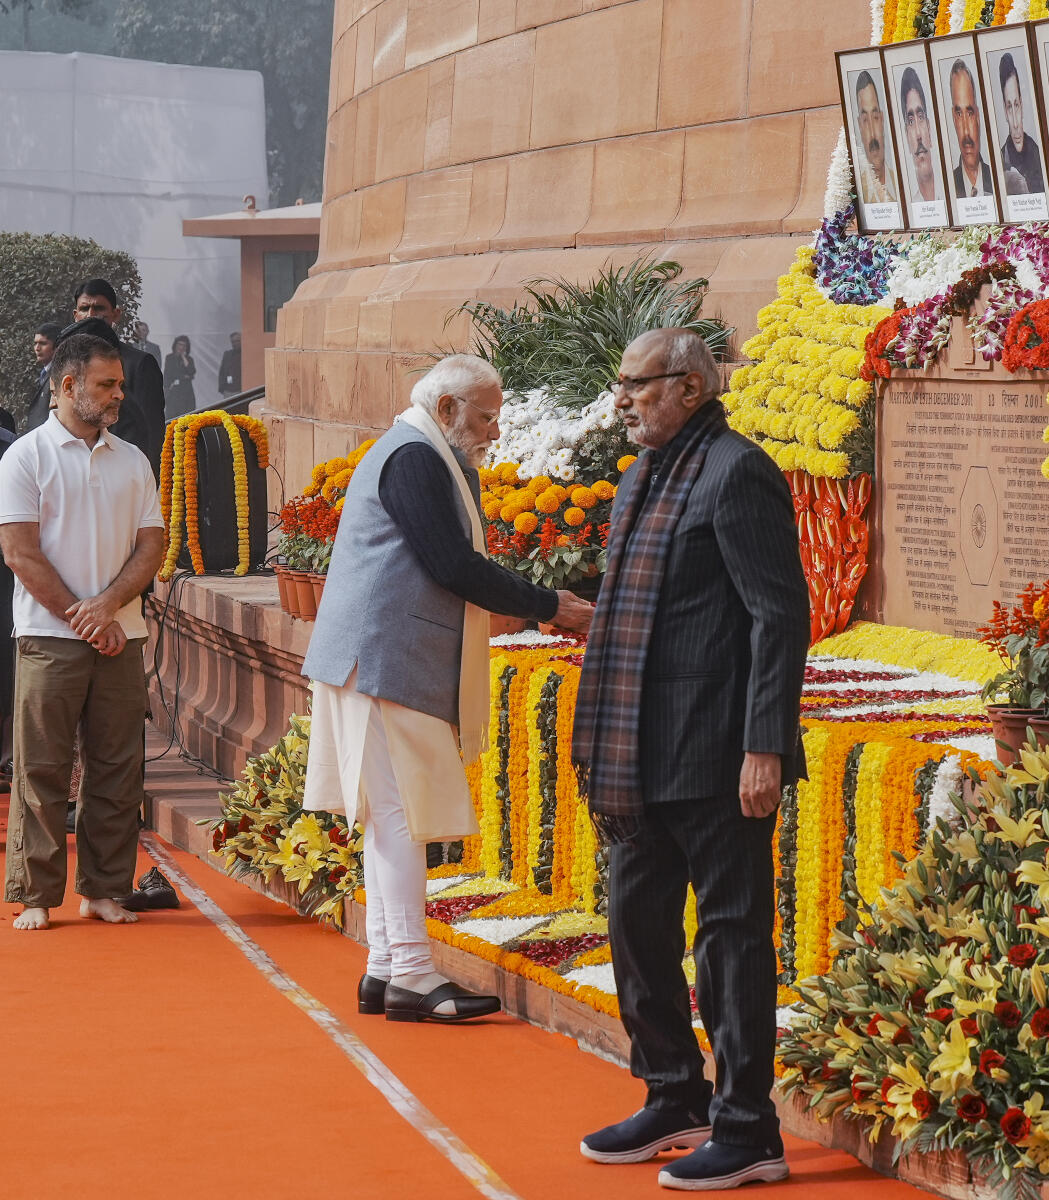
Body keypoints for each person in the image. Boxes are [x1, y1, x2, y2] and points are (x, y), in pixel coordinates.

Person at [575, 329, 809, 1191]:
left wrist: (764, 745)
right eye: (621, 384)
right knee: (636, 929)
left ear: (687, 387)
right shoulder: (643, 474)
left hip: (716, 756)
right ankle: (673, 1095)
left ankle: (748, 1129)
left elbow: (777, 616)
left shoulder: (736, 471)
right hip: (635, 754)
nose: (623, 398)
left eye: (637, 384)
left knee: (730, 944)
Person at [300, 354, 593, 1023]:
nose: (493, 429)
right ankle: (408, 973)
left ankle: (384, 967)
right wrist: (552, 604)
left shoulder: (421, 448)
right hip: (380, 661)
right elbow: (452, 564)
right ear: (445, 410)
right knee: (400, 819)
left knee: (389, 819)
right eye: (485, 416)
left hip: (379, 660)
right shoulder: (414, 456)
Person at [0, 332, 166, 932]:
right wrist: (85, 616)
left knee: (118, 768)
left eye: (119, 383)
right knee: (41, 768)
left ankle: (104, 888)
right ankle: (38, 895)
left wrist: (108, 608)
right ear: (69, 386)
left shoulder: (132, 459)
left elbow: (154, 542)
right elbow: (19, 552)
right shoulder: (26, 457)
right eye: (107, 384)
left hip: (122, 636)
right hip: (48, 638)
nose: (120, 393)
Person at [23, 280, 166, 482]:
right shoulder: (61, 364)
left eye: (99, 308)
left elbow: (151, 432)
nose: (91, 315)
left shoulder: (139, 364)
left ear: (116, 314)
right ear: (75, 315)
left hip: (120, 481)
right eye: (84, 308)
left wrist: (146, 485)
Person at [999, 52, 1045, 196]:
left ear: (1022, 106)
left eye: (1017, 105)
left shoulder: (1040, 154)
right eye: (1009, 107)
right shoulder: (1000, 160)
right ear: (1005, 112)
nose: (1015, 123)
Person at [950, 60, 994, 198]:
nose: (966, 131)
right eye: (959, 114)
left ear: (978, 117)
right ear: (953, 119)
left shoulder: (999, 179)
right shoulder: (948, 188)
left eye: (969, 113)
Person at [855, 70, 898, 203]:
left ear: (882, 119)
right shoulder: (857, 192)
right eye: (865, 121)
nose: (873, 133)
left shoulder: (902, 183)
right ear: (859, 126)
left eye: (875, 117)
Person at [900, 67, 938, 204]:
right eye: (911, 121)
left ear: (929, 128)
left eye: (920, 117)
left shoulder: (954, 194)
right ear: (906, 137)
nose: (918, 135)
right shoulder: (910, 207)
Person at [25, 322, 61, 432]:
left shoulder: (59, 373)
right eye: (35, 343)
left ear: (56, 346)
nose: (37, 348)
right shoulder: (44, 373)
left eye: (43, 343)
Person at [163, 335, 197, 418]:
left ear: (186, 347)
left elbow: (192, 372)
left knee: (187, 417)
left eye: (184, 345)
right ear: (175, 345)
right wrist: (185, 377)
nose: (181, 347)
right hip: (173, 393)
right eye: (179, 344)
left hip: (186, 393)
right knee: (172, 417)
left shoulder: (189, 359)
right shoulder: (169, 358)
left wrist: (183, 357)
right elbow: (169, 374)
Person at [218, 331, 242, 398]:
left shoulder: (245, 354)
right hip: (228, 390)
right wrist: (222, 388)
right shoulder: (227, 354)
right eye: (233, 342)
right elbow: (222, 372)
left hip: (241, 390)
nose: (235, 343)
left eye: (237, 341)